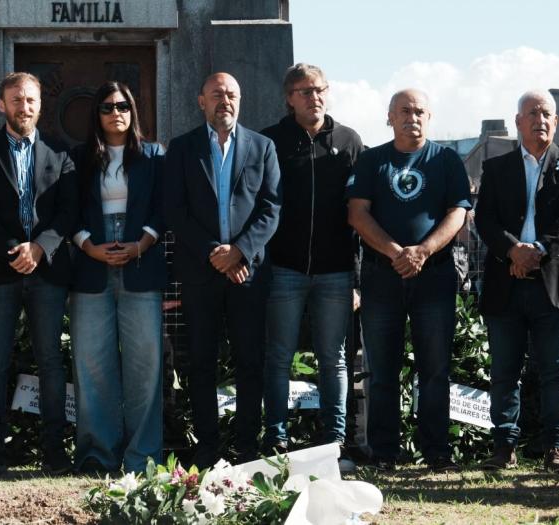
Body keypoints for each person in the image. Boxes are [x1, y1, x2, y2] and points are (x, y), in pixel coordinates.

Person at [347, 89, 470, 472]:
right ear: (389, 117)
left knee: (434, 370)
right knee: (381, 370)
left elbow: (458, 213)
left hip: (434, 276)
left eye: (419, 111)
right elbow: (357, 214)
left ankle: (436, 452)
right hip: (382, 277)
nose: (411, 118)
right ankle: (385, 453)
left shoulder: (447, 159)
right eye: (404, 111)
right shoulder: (371, 160)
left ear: (429, 117)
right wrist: (396, 252)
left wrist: (422, 251)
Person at [164, 72, 281, 468]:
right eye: (216, 94)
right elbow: (174, 209)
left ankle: (247, 446)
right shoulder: (181, 149)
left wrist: (241, 253)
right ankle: (208, 446)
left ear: (240, 99)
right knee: (201, 363)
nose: (224, 101)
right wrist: (214, 252)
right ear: (201, 102)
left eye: (231, 94)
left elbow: (271, 207)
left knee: (251, 361)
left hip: (247, 275)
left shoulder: (263, 147)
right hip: (201, 271)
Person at [0, 72, 78, 478]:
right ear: (1, 105)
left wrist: (40, 247)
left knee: (50, 360)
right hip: (0, 270)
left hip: (48, 272)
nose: (24, 107)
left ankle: (54, 453)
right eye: (16, 100)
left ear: (39, 105)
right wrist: (14, 249)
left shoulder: (61, 152)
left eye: (30, 100)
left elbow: (68, 211)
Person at [475, 90, 559, 476]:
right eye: (532, 113)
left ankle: (556, 449)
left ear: (555, 122)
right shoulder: (497, 167)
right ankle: (503, 446)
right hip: (507, 280)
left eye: (546, 114)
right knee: (505, 369)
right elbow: (485, 219)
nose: (540, 119)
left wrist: (537, 250)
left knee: (556, 370)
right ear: (518, 122)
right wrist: (513, 252)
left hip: (555, 282)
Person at [260, 64, 362, 472]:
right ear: (289, 98)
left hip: (336, 271)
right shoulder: (271, 141)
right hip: (284, 268)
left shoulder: (350, 141)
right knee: (278, 356)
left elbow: (361, 214)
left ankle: (335, 441)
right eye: (303, 92)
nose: (313, 97)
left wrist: (356, 278)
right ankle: (276, 440)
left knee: (334, 359)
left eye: (318, 90)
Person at [69, 81, 166, 475]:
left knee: (146, 363)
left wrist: (142, 243)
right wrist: (87, 245)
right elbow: (66, 208)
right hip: (91, 262)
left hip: (141, 260)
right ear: (97, 114)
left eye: (123, 106)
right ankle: (98, 454)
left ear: (133, 111)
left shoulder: (155, 155)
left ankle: (142, 458)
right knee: (93, 362)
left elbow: (166, 205)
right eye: (107, 107)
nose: (116, 113)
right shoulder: (79, 158)